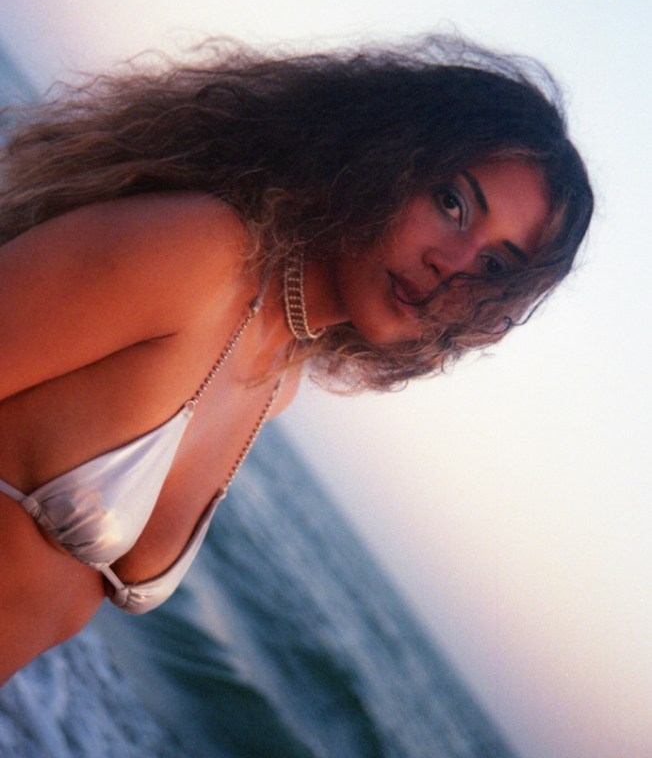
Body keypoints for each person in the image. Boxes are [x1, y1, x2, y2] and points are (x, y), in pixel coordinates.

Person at [0, 35, 593, 682]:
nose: (450, 266)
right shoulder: (201, 255)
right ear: (385, 154)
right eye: (451, 203)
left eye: (494, 265)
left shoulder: (277, 378)